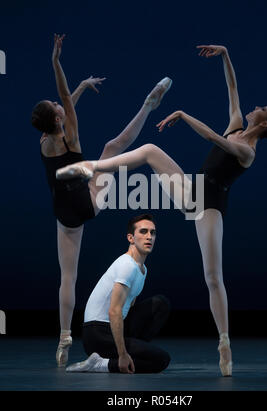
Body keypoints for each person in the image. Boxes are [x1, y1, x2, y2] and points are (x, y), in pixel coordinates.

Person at [56, 45, 267, 376]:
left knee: (212, 276)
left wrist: (182, 114)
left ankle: (224, 343)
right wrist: (225, 55)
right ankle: (92, 167)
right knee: (150, 150)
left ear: (265, 124)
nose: (255, 107)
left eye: (263, 108)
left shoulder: (247, 150)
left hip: (209, 206)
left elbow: (211, 136)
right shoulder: (237, 123)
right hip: (191, 189)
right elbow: (233, 88)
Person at [31, 33, 172, 367]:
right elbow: (65, 98)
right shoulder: (72, 136)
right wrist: (56, 62)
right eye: (56, 107)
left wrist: (78, 88)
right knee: (113, 147)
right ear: (57, 118)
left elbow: (64, 104)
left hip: (67, 213)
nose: (60, 104)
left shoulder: (44, 141)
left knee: (68, 277)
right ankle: (147, 106)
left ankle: (65, 338)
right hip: (87, 202)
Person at [66, 214, 171, 374]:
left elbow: (129, 307)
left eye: (153, 232)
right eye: (143, 232)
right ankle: (103, 364)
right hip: (97, 334)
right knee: (161, 360)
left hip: (113, 327)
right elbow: (114, 311)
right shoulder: (126, 265)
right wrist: (122, 354)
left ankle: (128, 353)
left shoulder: (142, 270)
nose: (149, 236)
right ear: (131, 238)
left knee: (160, 304)